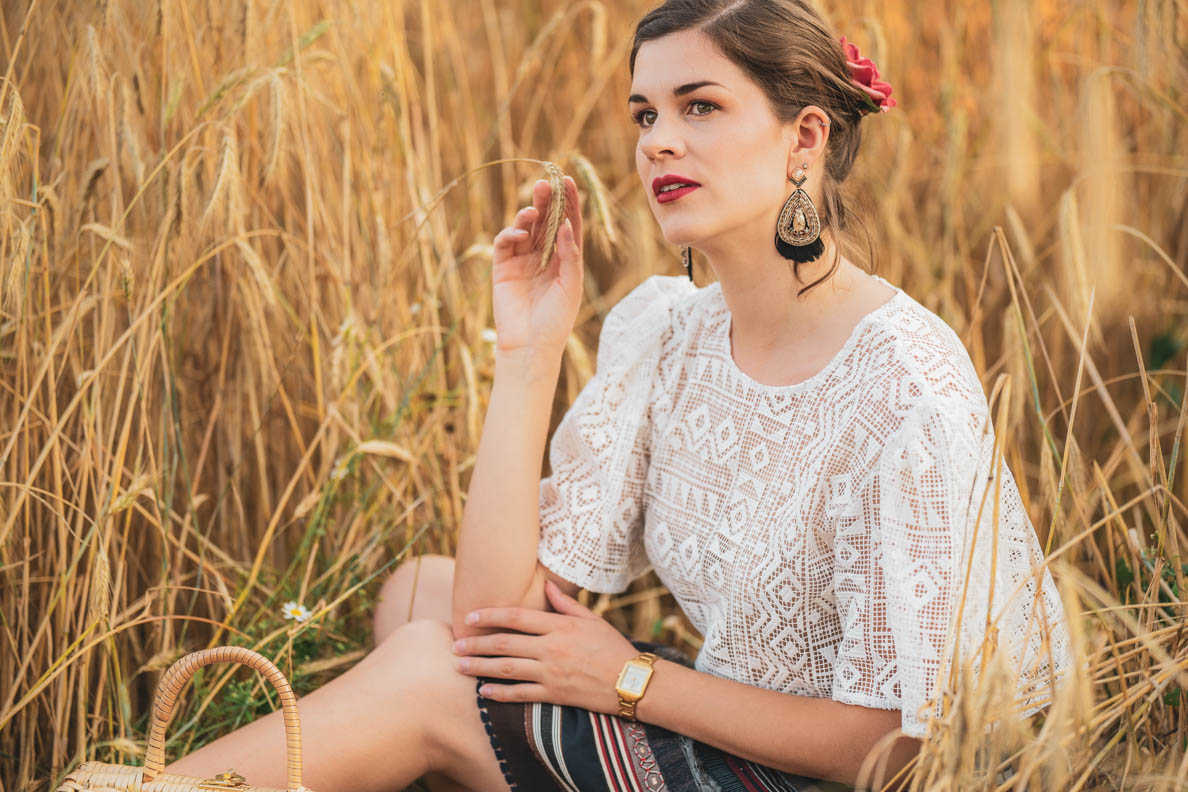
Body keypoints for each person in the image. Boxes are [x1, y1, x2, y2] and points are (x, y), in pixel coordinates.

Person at [165, 1, 1073, 790]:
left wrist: (632, 679)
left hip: (820, 777)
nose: (656, 143)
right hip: (729, 723)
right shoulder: (672, 332)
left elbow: (897, 752)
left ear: (805, 136)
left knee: (422, 672)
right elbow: (492, 617)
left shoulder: (901, 386)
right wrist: (530, 351)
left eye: (700, 107)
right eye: (645, 114)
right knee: (423, 598)